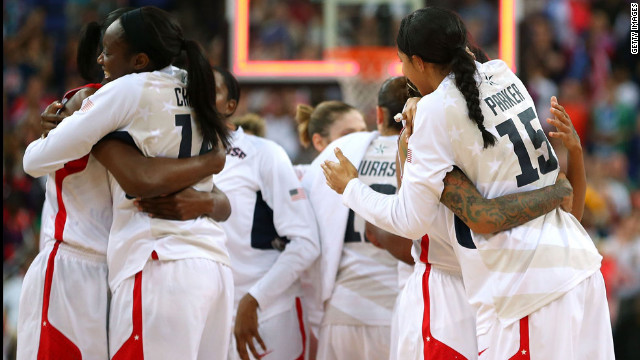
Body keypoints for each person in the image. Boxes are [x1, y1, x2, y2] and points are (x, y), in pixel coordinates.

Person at [323, 7, 613, 359]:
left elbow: (411, 221)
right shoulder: (502, 72)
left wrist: (351, 187)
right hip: (580, 268)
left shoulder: (435, 114)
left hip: (526, 289)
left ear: (419, 61)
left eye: (402, 62)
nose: (403, 72)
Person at [305, 76, 574, 359]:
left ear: (379, 114)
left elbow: (394, 229)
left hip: (446, 295)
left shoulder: (392, 145)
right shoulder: (484, 152)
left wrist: (354, 191)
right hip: (468, 293)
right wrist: (563, 183)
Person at [22, 6, 234, 359]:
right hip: (205, 261)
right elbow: (212, 188)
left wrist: (74, 129)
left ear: (138, 59)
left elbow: (35, 160)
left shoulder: (120, 93)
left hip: (149, 262)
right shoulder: (194, 83)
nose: (103, 58)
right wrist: (212, 181)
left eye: (109, 50)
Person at [138, 66, 320, 360]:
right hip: (203, 309)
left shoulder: (264, 153)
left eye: (213, 91)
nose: (200, 97)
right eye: (195, 91)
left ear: (231, 105)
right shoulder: (170, 155)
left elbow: (306, 242)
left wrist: (254, 300)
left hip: (268, 312)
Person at [293, 101, 368, 179]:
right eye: (348, 135)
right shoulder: (298, 177)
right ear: (319, 142)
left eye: (364, 132)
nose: (361, 140)